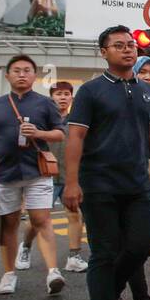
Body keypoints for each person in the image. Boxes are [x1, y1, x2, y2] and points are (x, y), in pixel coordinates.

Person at [64, 26, 150, 300]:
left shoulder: (148, 92)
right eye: (119, 45)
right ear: (104, 52)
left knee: (143, 243)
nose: (127, 50)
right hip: (98, 185)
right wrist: (71, 182)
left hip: (137, 183)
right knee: (104, 253)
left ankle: (108, 296)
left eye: (131, 45)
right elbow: (76, 137)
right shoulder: (90, 91)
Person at [0, 55, 67, 296]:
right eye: (17, 70)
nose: (22, 74)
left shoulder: (44, 103)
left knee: (42, 220)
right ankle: (9, 273)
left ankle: (53, 272)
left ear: (34, 75)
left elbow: (60, 134)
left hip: (37, 171)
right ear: (7, 75)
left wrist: (40, 133)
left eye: (27, 70)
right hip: (3, 172)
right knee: (9, 224)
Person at [20, 81, 89, 272]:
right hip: (44, 175)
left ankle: (74, 256)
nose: (63, 97)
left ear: (71, 98)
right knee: (37, 220)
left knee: (75, 215)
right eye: (58, 94)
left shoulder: (77, 120)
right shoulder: (42, 119)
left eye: (66, 94)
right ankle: (25, 247)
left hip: (69, 176)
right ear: (52, 97)